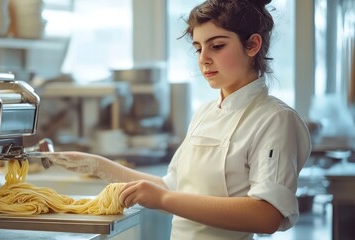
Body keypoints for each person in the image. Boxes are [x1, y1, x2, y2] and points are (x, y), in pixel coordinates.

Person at [43, 0, 311, 239]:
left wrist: (164, 199)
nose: (204, 59)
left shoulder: (275, 119)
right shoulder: (206, 112)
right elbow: (171, 187)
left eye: (217, 46)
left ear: (252, 44)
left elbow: (267, 216)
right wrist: (95, 164)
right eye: (198, 48)